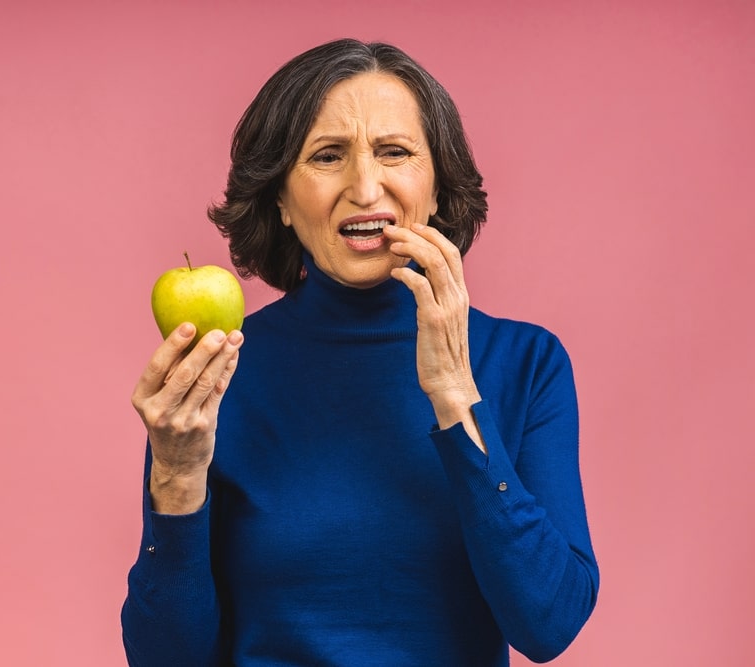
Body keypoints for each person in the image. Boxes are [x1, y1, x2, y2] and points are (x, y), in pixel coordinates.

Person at [121, 38, 599, 666]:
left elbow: (549, 623)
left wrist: (455, 391)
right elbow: (166, 660)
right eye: (327, 157)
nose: (365, 186)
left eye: (394, 152)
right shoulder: (222, 369)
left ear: (436, 187)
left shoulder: (527, 363)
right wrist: (176, 474)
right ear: (283, 202)